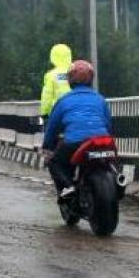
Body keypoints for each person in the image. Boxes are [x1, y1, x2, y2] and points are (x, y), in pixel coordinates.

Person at [41, 60, 112, 202]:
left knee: (54, 162)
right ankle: (118, 180)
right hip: (102, 141)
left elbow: (52, 128)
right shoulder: (100, 99)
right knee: (111, 162)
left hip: (75, 142)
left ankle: (68, 188)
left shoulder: (63, 101)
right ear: (91, 79)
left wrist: (47, 146)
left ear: (70, 80)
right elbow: (108, 124)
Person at [39, 43, 73, 123]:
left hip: (57, 113)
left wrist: (44, 113)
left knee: (51, 134)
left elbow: (47, 97)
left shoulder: (51, 75)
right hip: (75, 112)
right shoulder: (76, 72)